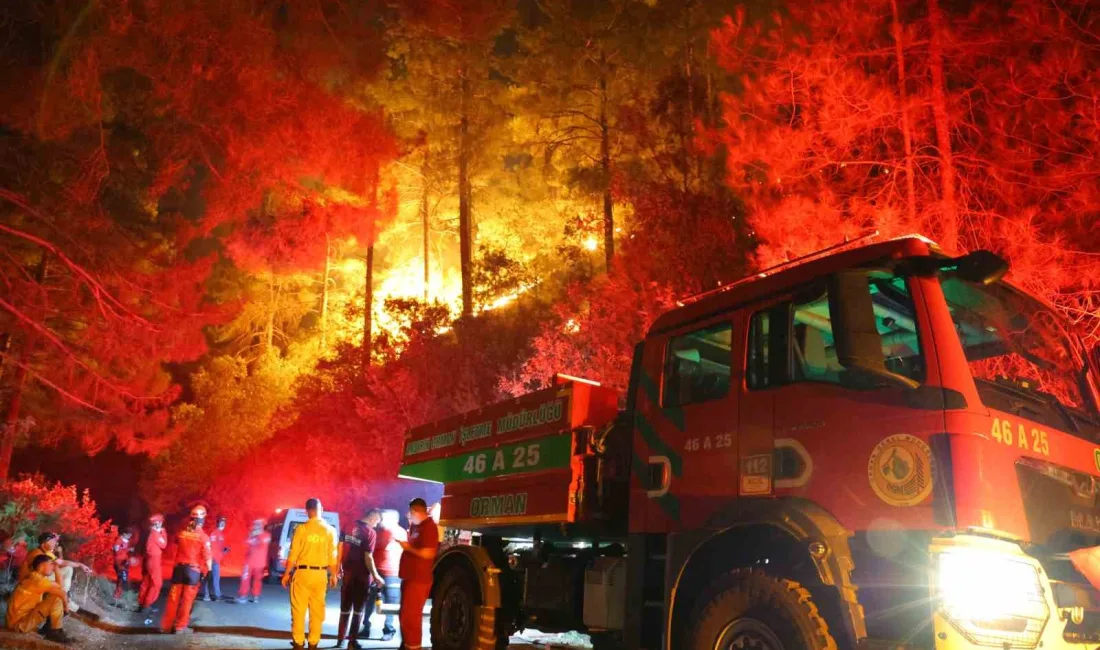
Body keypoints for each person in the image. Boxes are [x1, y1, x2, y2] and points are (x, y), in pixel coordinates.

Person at [281, 497, 338, 650]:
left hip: (302, 574)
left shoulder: (301, 529)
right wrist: (333, 575)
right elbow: (333, 556)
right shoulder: (330, 531)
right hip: (320, 575)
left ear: (307, 511)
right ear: (322, 510)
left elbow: (293, 555)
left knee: (298, 610)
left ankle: (299, 643)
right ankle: (313, 643)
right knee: (317, 611)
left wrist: (286, 574)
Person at [336, 509, 384, 649]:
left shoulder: (348, 525)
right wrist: (375, 575)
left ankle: (340, 639)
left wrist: (338, 565)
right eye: (377, 522)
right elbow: (368, 556)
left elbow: (339, 546)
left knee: (345, 607)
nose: (376, 525)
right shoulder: (370, 532)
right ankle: (352, 641)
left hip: (347, 572)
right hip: (362, 575)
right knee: (358, 609)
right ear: (373, 518)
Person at [161, 504, 212, 634]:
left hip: (178, 570)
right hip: (193, 572)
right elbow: (207, 557)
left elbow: (176, 545)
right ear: (203, 519)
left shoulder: (182, 533)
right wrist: (209, 572)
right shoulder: (204, 537)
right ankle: (180, 627)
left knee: (173, 599)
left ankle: (166, 626)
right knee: (187, 601)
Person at [397, 498, 439, 650]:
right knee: (405, 616)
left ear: (417, 511)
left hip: (419, 579)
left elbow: (429, 553)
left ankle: (414, 646)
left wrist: (408, 548)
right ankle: (407, 644)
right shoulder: (417, 526)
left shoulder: (429, 527)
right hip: (410, 577)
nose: (409, 515)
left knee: (411, 618)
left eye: (411, 512)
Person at [4, 554, 73, 644]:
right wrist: (66, 608)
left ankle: (53, 630)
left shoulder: (35, 577)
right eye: (51, 564)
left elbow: (60, 588)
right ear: (42, 565)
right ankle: (55, 631)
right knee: (56, 597)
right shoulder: (38, 581)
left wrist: (56, 568)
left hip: (17, 622)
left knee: (54, 596)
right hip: (19, 625)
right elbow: (61, 591)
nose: (52, 567)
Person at [367, 509, 406, 642]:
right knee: (372, 600)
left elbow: (376, 545)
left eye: (383, 518)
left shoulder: (394, 531)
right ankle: (368, 627)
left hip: (391, 573)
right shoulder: (382, 531)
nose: (381, 520)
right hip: (379, 571)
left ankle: (387, 630)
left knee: (390, 603)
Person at [138, 514, 167, 613]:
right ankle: (147, 604)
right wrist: (163, 532)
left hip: (148, 559)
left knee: (146, 581)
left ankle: (141, 603)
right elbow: (164, 544)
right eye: (161, 522)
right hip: (153, 561)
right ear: (158, 523)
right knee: (157, 583)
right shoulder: (155, 534)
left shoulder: (149, 533)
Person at [237, 519, 271, 604]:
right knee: (245, 579)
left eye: (257, 525)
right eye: (255, 524)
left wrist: (258, 535)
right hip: (249, 562)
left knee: (257, 580)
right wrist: (250, 536)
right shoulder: (252, 535)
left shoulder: (266, 535)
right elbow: (245, 545)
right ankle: (243, 596)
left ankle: (256, 596)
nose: (255, 526)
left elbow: (263, 544)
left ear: (262, 526)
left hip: (259, 563)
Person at [200, 515, 229, 602]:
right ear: (218, 523)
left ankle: (215, 594)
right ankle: (211, 594)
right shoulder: (215, 533)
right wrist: (213, 558)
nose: (222, 524)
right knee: (211, 577)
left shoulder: (220, 534)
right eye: (221, 522)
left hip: (216, 559)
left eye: (224, 522)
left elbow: (219, 547)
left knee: (213, 577)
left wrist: (223, 551)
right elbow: (212, 547)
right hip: (213, 559)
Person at [112, 528, 134, 600]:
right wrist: (128, 549)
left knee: (123, 578)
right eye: (129, 535)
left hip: (124, 561)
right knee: (121, 577)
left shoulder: (127, 541)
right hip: (119, 561)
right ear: (124, 533)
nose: (130, 536)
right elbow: (117, 551)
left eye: (130, 535)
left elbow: (124, 552)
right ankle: (117, 595)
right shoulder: (118, 541)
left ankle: (119, 594)